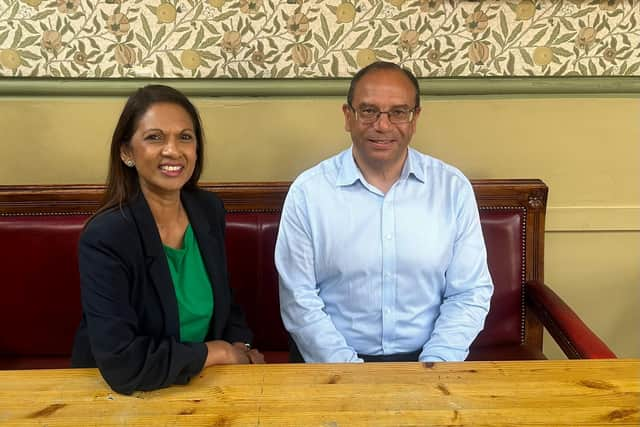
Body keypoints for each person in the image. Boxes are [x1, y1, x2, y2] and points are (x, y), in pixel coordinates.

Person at [275, 62, 493, 363]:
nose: (383, 125)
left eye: (398, 112)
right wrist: (350, 372)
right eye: (368, 111)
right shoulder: (309, 192)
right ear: (347, 116)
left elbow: (469, 292)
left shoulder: (452, 188)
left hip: (429, 361)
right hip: (329, 365)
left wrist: (436, 364)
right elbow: (298, 299)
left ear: (415, 119)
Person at [72, 85, 264, 395]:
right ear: (126, 152)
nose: (173, 150)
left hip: (205, 382)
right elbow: (122, 362)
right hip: (123, 393)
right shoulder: (106, 236)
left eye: (185, 137)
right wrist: (218, 353)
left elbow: (227, 304)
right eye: (155, 137)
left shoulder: (207, 210)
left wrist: (240, 347)